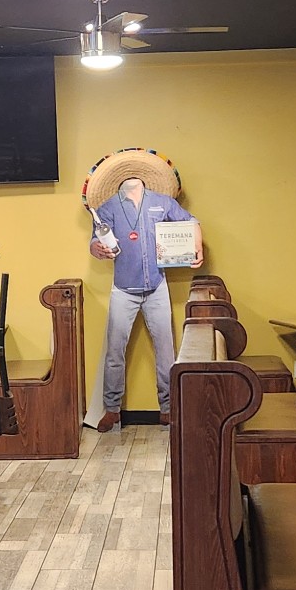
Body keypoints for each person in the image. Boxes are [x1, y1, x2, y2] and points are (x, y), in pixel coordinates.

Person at [89, 172, 202, 428]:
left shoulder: (163, 202)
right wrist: (97, 249)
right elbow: (95, 241)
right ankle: (112, 410)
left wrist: (198, 249)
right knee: (114, 352)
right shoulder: (107, 208)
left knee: (166, 351)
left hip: (157, 286)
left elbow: (191, 222)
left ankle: (168, 408)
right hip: (123, 288)